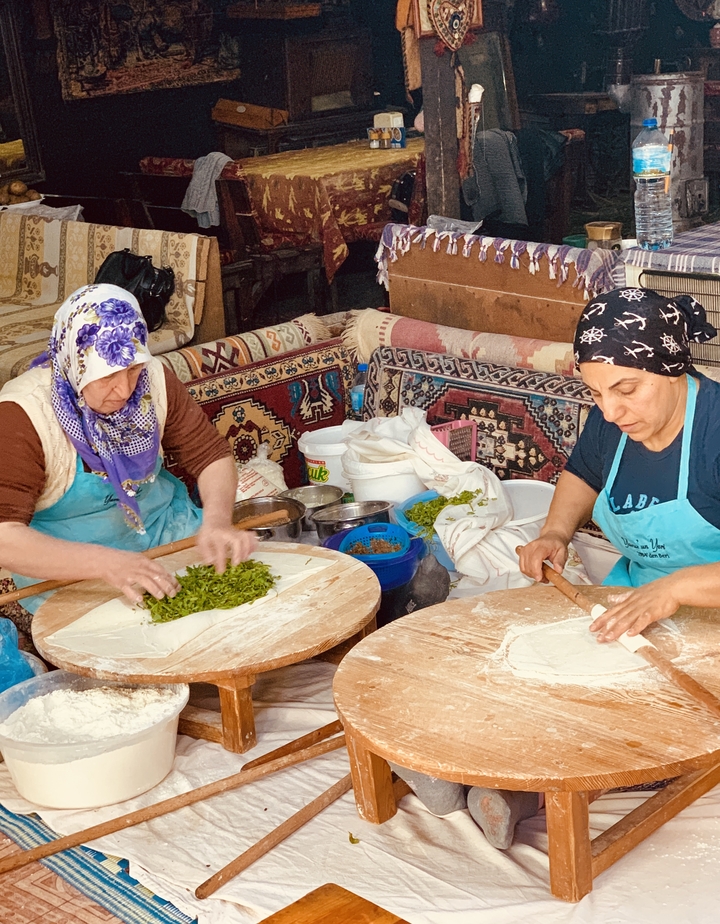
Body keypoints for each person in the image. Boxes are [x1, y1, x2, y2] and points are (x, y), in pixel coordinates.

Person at [394, 286, 720, 851]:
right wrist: (554, 532)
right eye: (596, 393)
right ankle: (467, 764)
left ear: (671, 369)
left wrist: (678, 589)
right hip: (632, 594)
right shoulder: (610, 420)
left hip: (709, 617)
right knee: (554, 680)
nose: (612, 411)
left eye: (627, 389)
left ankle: (522, 796)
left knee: (659, 718)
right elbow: (583, 474)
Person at [0, 283, 255, 629]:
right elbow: (5, 537)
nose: (124, 390)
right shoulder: (23, 415)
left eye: (132, 370)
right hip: (72, 575)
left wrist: (217, 522)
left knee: (238, 624)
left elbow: (210, 455)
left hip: (169, 538)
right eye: (106, 377)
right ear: (76, 365)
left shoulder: (153, 380)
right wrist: (105, 564)